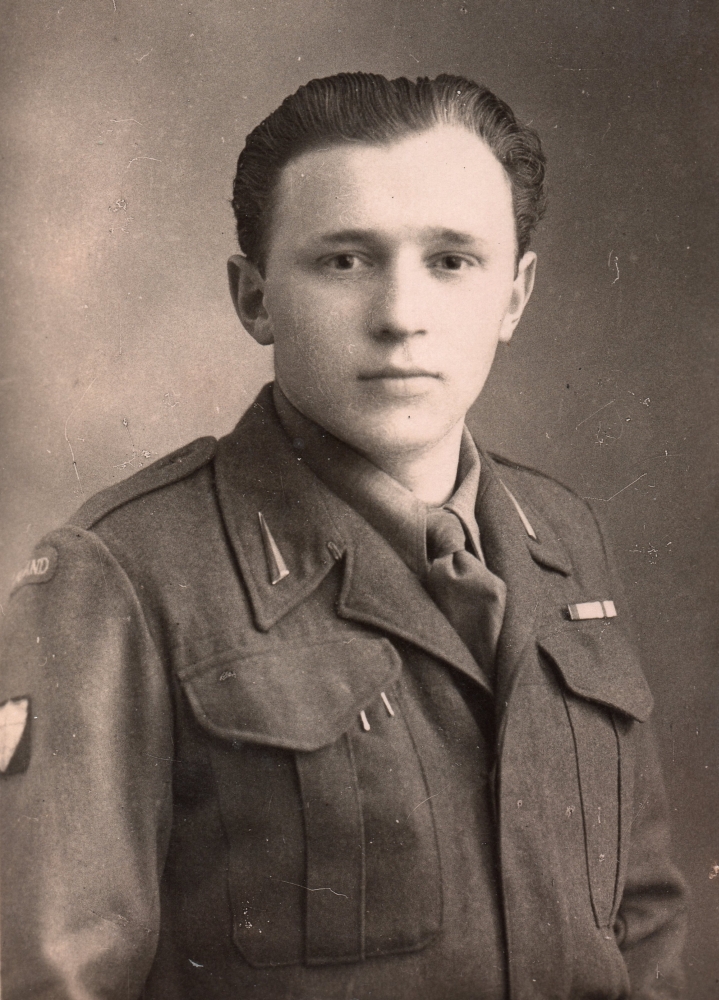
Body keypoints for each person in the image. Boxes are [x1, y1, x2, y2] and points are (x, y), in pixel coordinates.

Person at [0, 73, 687, 999]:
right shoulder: (125, 576)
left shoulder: (563, 538)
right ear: (254, 298)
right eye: (344, 261)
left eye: (452, 260)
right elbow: (52, 979)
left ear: (514, 295)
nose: (401, 316)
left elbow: (640, 926)